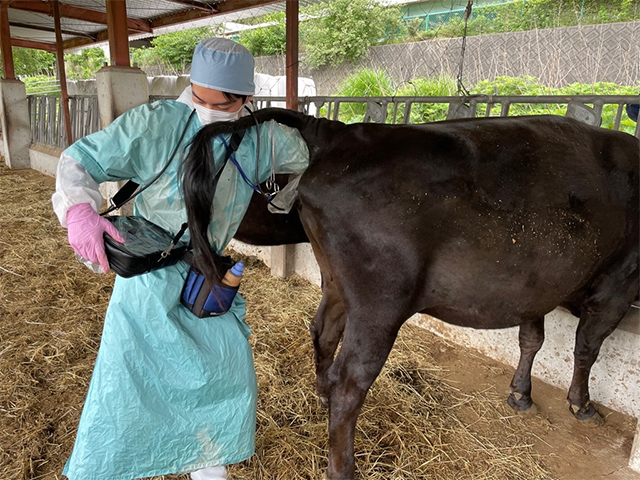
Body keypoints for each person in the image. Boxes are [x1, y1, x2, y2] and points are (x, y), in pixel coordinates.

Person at [51, 38, 309, 480]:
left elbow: (306, 156)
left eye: (221, 101)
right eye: (199, 94)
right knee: (127, 390)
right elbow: (80, 159)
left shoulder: (262, 138)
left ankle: (208, 467)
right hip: (148, 283)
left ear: (246, 98)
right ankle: (109, 466)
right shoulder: (155, 124)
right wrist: (78, 209)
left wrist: (286, 200)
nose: (206, 107)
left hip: (206, 281)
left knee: (224, 379)